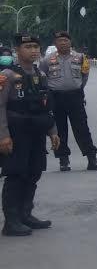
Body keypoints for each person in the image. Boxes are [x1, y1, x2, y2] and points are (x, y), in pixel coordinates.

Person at [2, 34, 60, 236]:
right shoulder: (7, 75)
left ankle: (25, 214)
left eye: (36, 46)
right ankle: (11, 221)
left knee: (34, 172)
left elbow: (47, 106)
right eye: (28, 46)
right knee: (16, 174)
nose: (33, 50)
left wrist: (53, 132)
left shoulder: (40, 75)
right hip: (16, 132)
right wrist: (3, 136)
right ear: (18, 50)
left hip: (36, 130)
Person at [41, 30, 97, 172]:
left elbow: (84, 75)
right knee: (60, 129)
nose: (63, 43)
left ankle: (92, 159)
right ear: (55, 43)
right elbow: (42, 77)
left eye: (65, 40)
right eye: (59, 41)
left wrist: (78, 88)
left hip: (75, 96)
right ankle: (63, 160)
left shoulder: (80, 57)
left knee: (82, 128)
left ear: (70, 42)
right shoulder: (47, 60)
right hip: (55, 97)